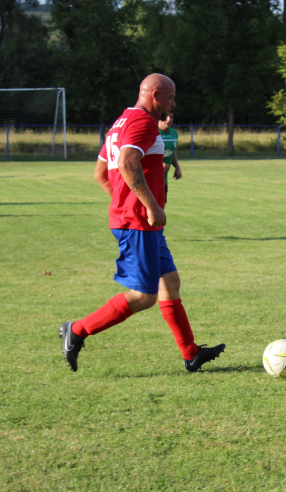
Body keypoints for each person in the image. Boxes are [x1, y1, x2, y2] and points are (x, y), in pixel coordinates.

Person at [59, 74, 225, 373]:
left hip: (136, 219)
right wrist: (147, 206)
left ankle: (191, 353)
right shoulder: (143, 122)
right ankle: (77, 330)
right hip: (138, 223)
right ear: (156, 95)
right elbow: (126, 163)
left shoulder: (120, 122)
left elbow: (100, 173)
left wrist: (125, 204)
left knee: (169, 283)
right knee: (144, 296)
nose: (173, 104)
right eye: (171, 97)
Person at [158, 110, 181, 201]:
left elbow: (172, 151)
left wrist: (177, 168)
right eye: (165, 117)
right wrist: (158, 165)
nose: (168, 120)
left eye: (171, 117)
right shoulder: (153, 133)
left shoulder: (174, 133)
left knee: (161, 209)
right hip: (151, 180)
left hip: (164, 180)